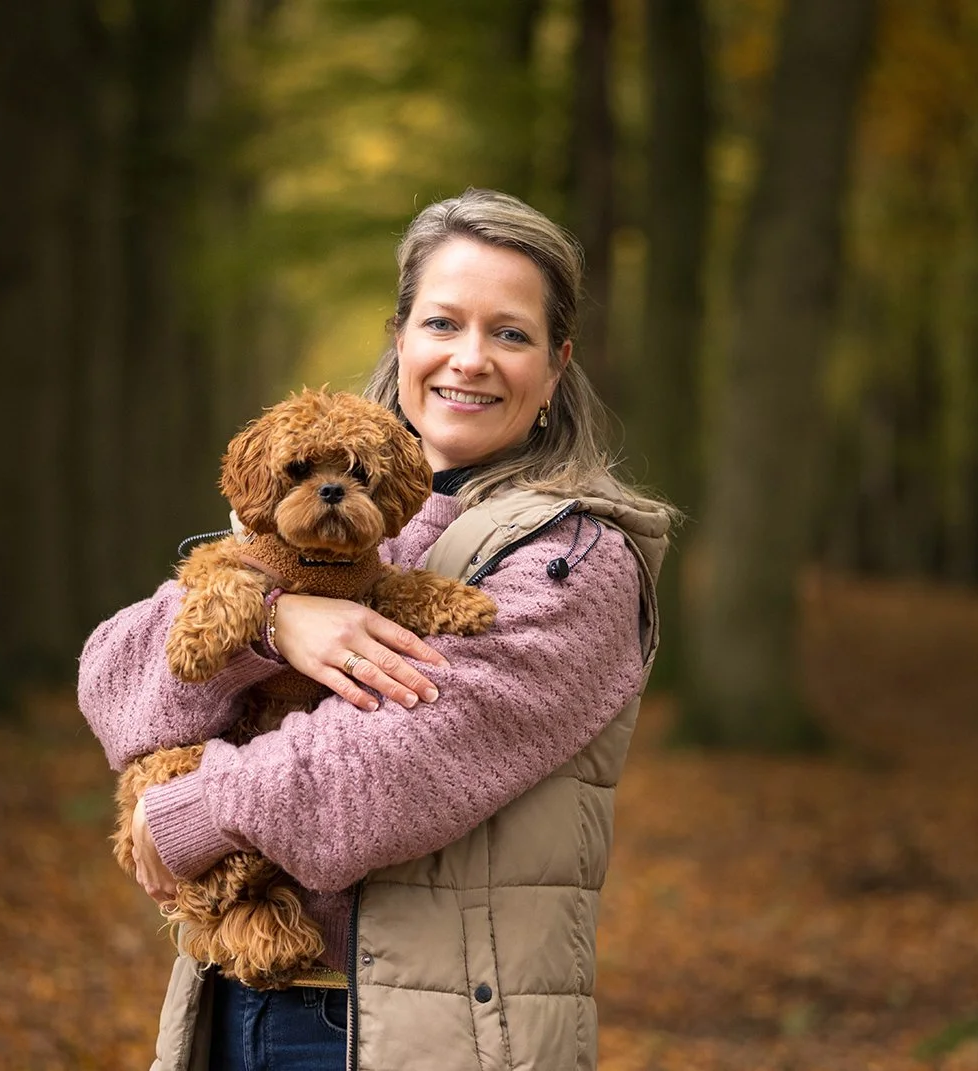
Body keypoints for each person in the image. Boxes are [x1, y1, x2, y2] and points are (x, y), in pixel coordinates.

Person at [78, 188, 673, 1071]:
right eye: (443, 323)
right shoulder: (308, 511)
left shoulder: (577, 556)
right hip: (233, 1003)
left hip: (424, 1037)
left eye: (510, 333)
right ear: (400, 340)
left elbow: (388, 770)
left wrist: (195, 808)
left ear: (556, 367)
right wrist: (276, 625)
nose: (470, 359)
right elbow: (114, 683)